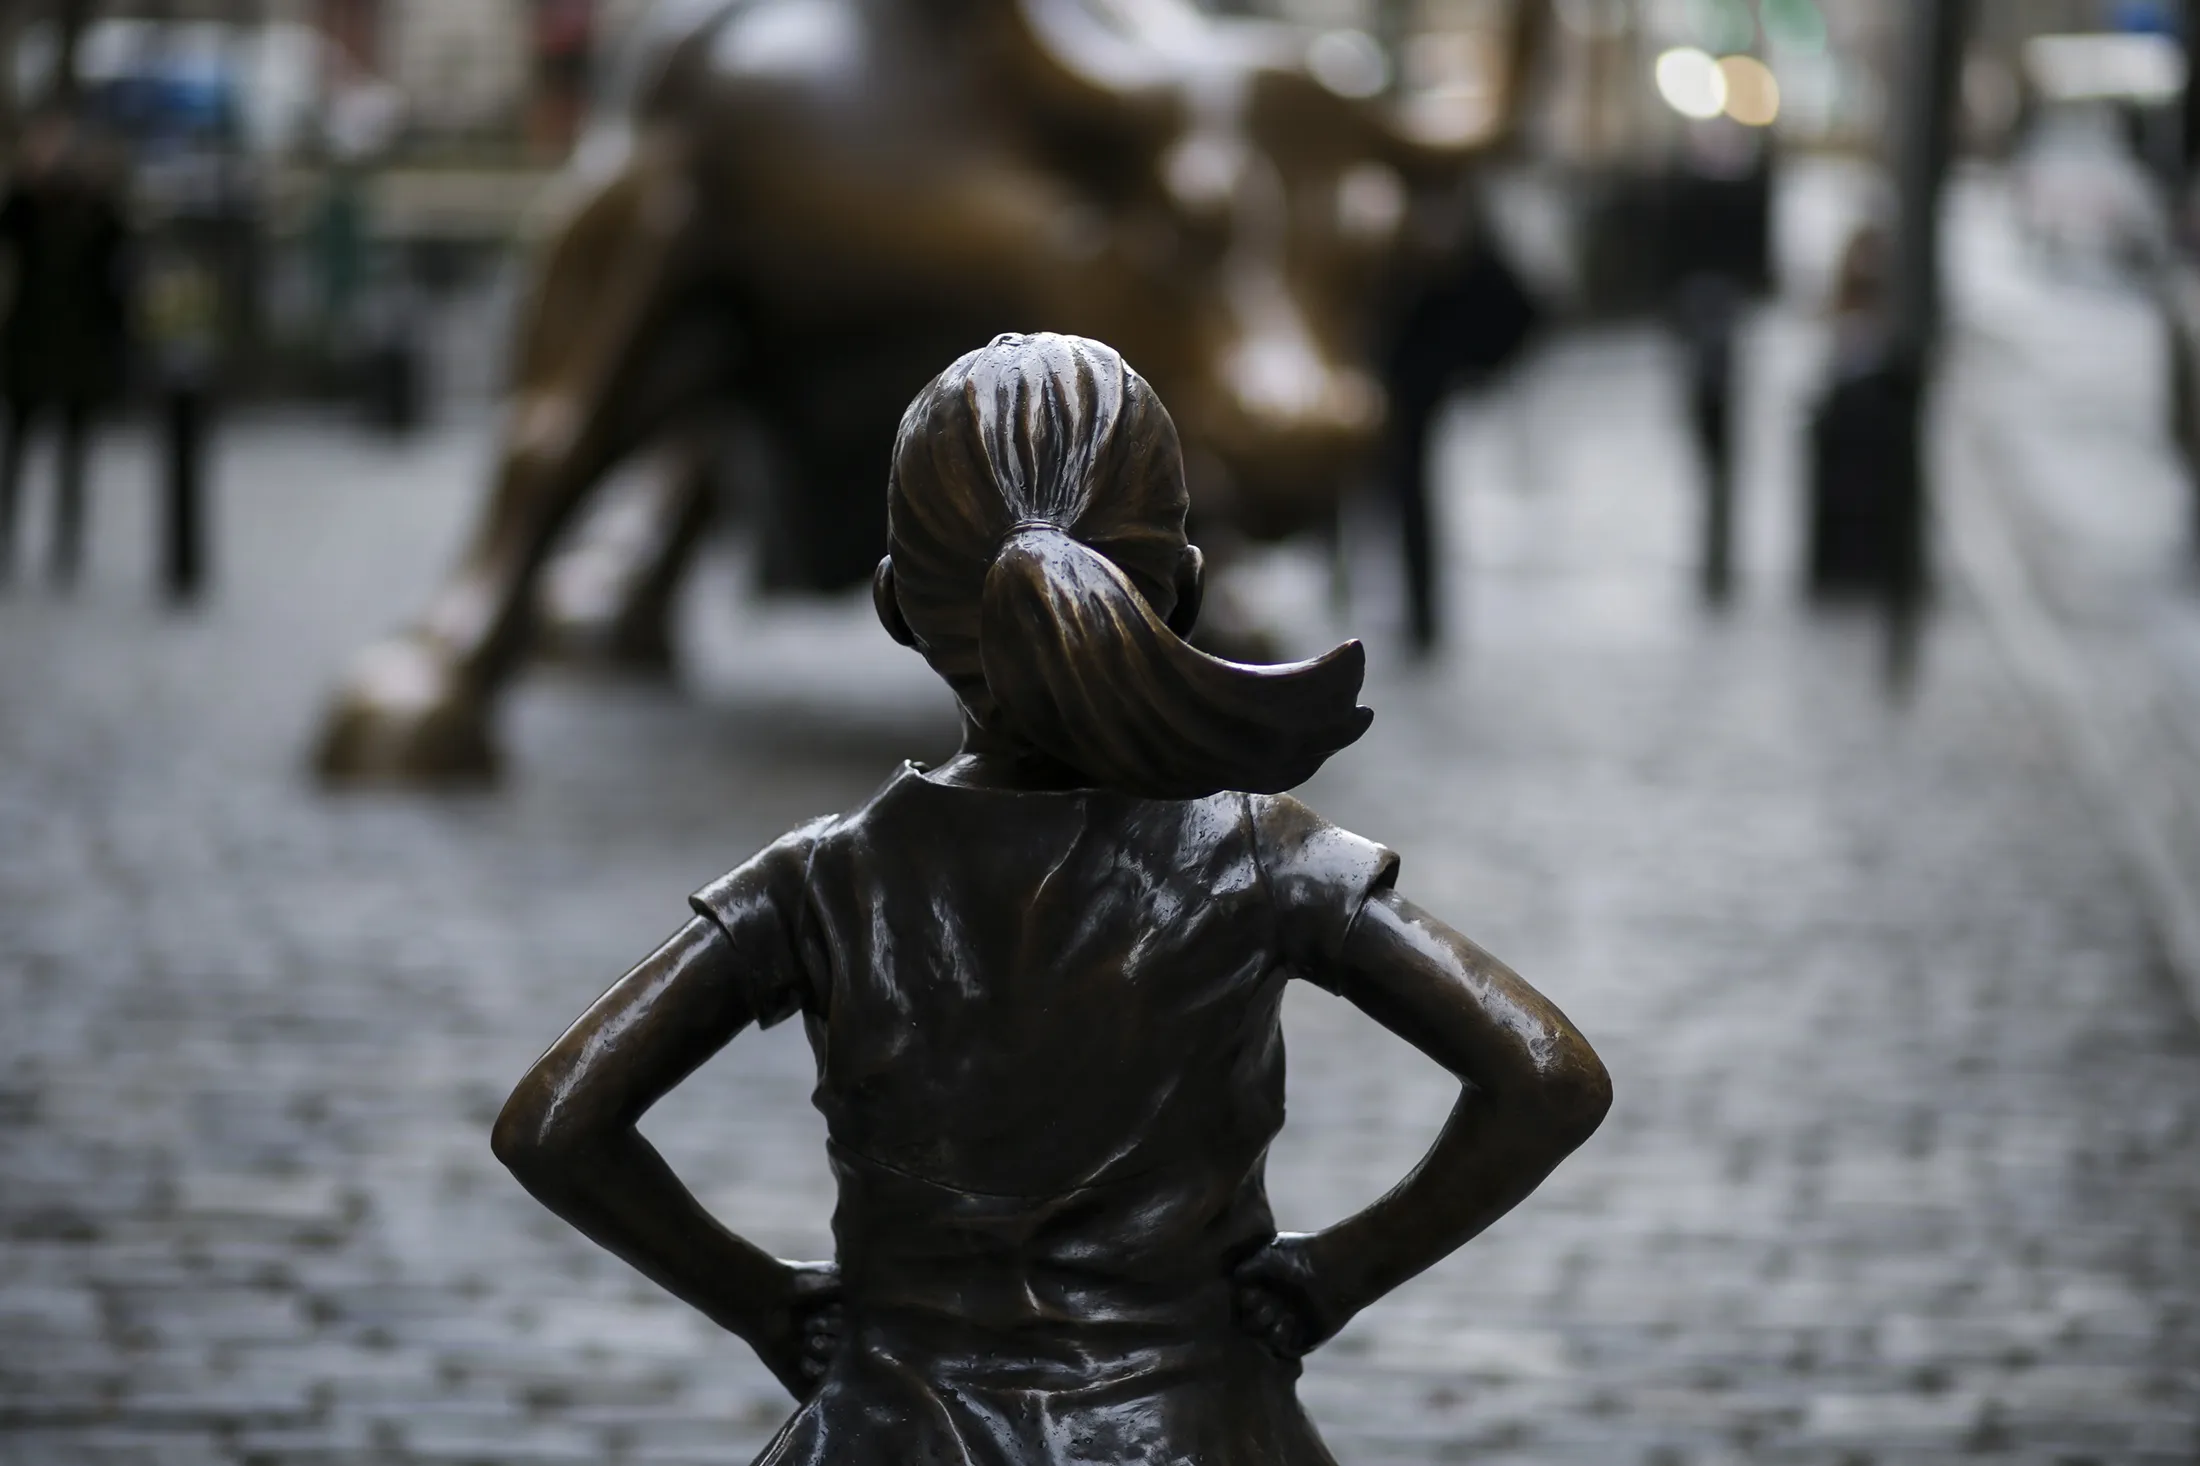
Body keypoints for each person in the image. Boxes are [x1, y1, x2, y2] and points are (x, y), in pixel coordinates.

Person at [493, 333, 1611, 1465]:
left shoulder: (821, 881)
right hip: (1194, 1429)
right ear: (1182, 585)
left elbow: (555, 1122)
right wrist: (1338, 1271)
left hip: (891, 1429)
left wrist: (760, 1299)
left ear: (892, 603)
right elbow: (1547, 1075)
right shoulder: (1265, 860)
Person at [0, 111, 128, 585]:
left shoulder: (95, 211)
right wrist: (27, 177)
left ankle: (67, 548)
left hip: (79, 351)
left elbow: (117, 276)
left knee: (74, 455)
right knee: (18, 449)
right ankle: (9, 541)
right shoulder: (29, 205)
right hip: (30, 346)